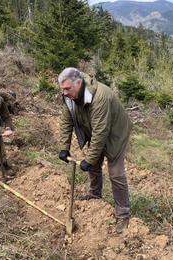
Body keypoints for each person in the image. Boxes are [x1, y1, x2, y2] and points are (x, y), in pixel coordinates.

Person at [58, 67, 132, 234]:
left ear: (78, 83)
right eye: (62, 89)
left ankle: (123, 215)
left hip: (116, 134)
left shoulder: (100, 97)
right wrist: (64, 147)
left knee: (116, 173)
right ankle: (94, 194)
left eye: (67, 89)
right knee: (94, 164)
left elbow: (101, 132)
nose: (64, 93)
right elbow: (66, 121)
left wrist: (89, 160)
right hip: (96, 129)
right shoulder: (70, 95)